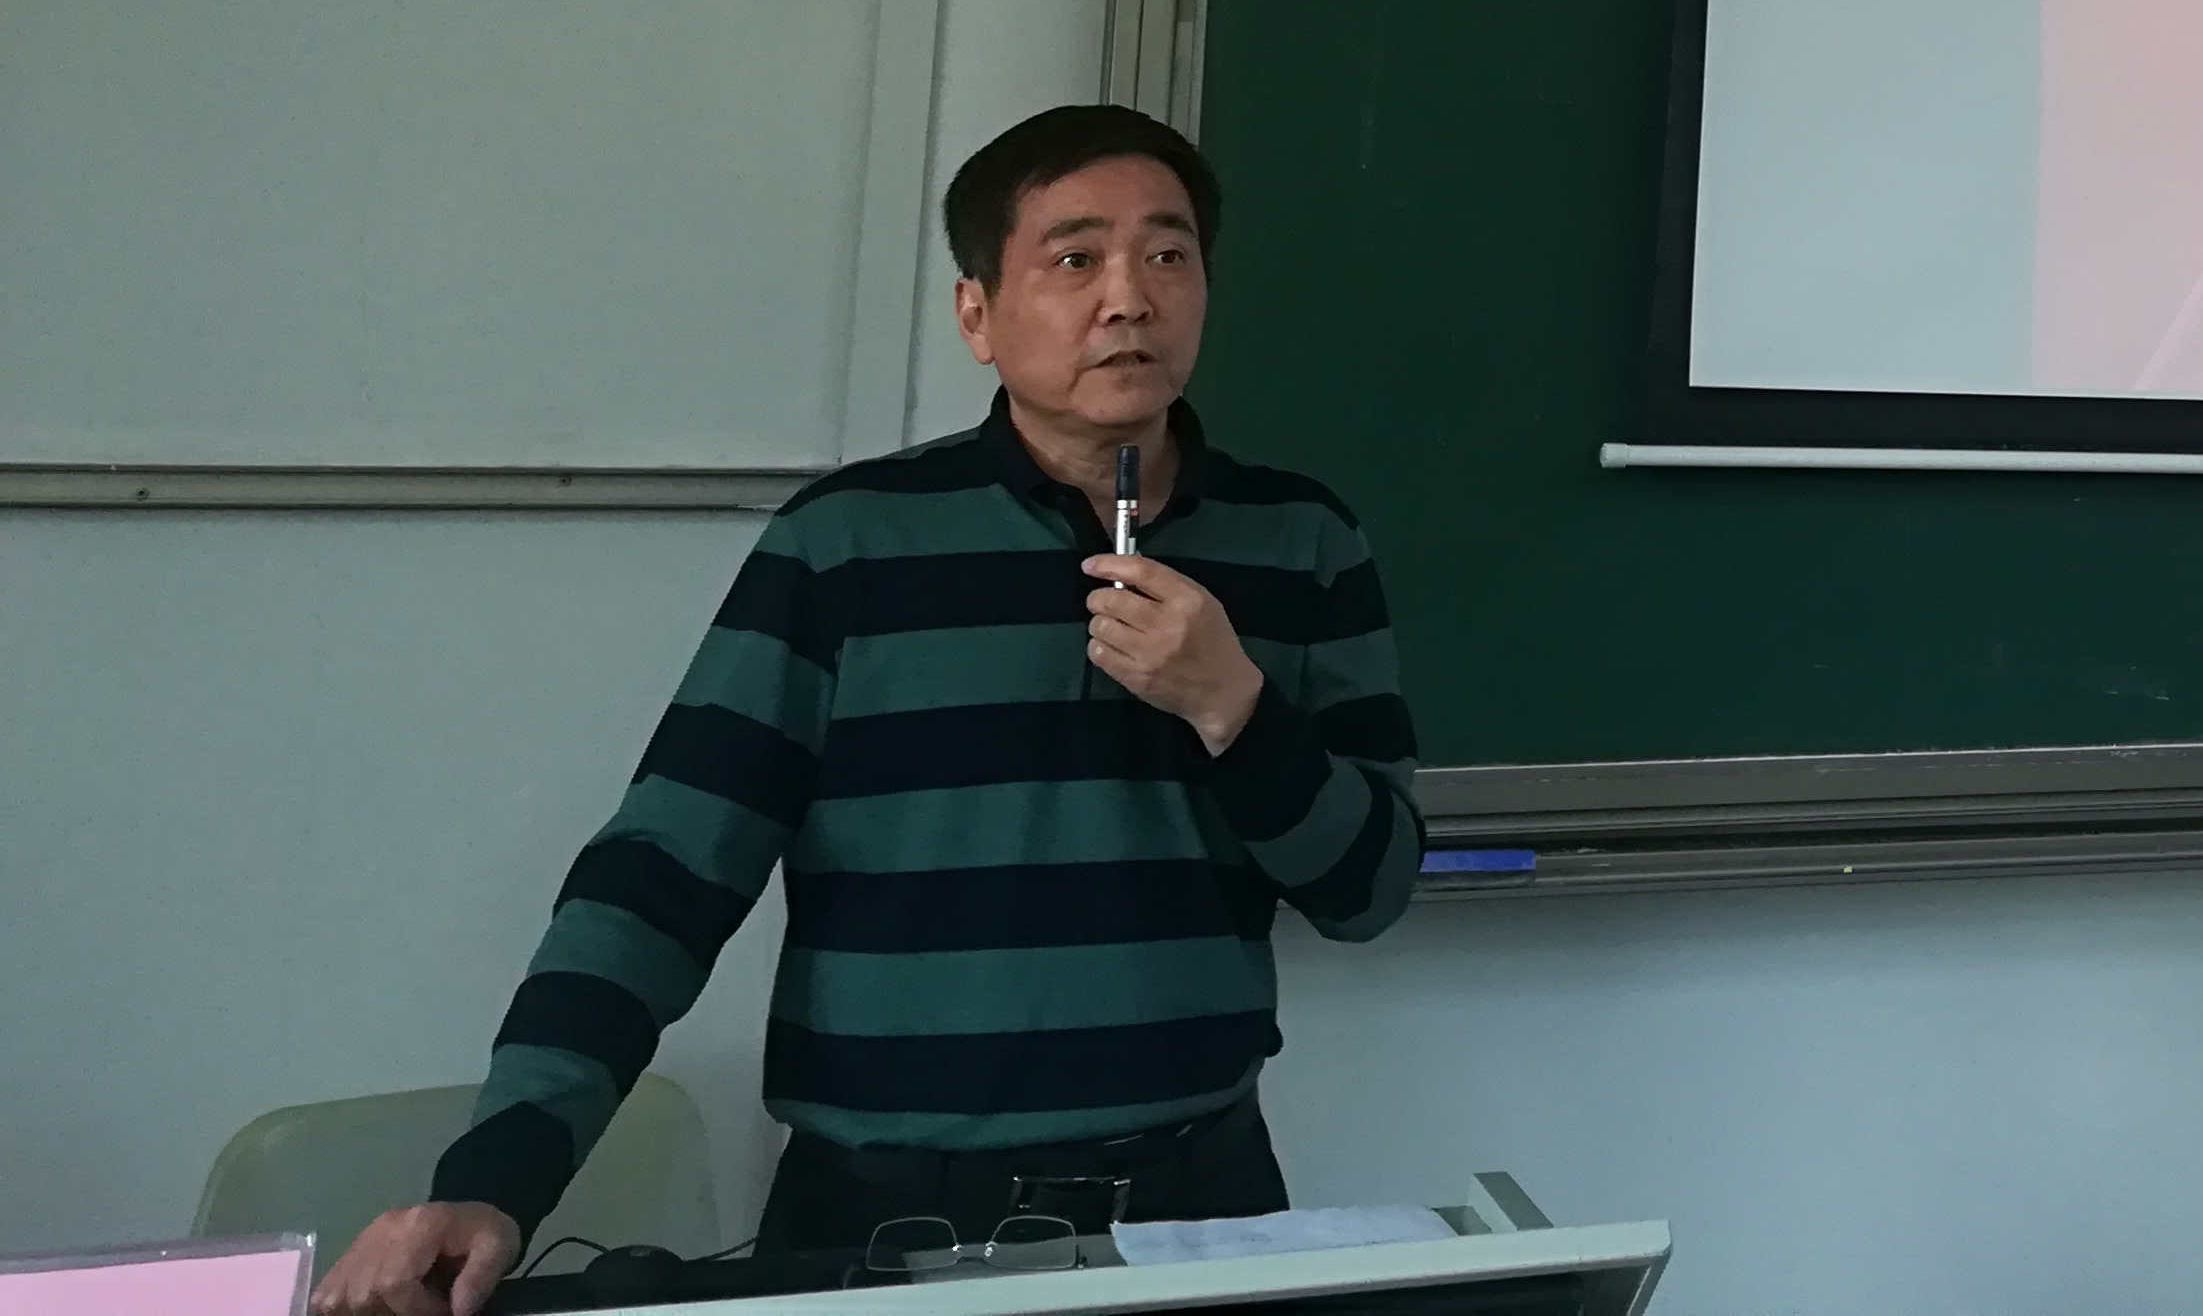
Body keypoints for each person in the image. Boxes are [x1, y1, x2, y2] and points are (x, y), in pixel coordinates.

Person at [317, 106, 1421, 1316]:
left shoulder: (1301, 541)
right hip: (887, 1222)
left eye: (1167, 254)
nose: (1127, 298)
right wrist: (498, 1179)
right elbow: (660, 881)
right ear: (976, 316)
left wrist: (1233, 706)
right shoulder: (846, 545)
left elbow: (1367, 888)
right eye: (1074, 259)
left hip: (1198, 1209)